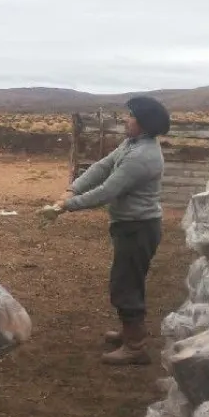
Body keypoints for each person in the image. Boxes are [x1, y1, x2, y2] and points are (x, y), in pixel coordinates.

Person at [44, 96, 170, 365]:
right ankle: (129, 333)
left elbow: (107, 191)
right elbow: (102, 167)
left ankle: (135, 347)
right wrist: (73, 188)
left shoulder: (142, 157)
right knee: (128, 280)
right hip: (131, 226)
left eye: (131, 116)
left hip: (138, 228)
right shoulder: (132, 144)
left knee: (125, 285)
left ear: (144, 123)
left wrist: (67, 205)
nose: (126, 119)